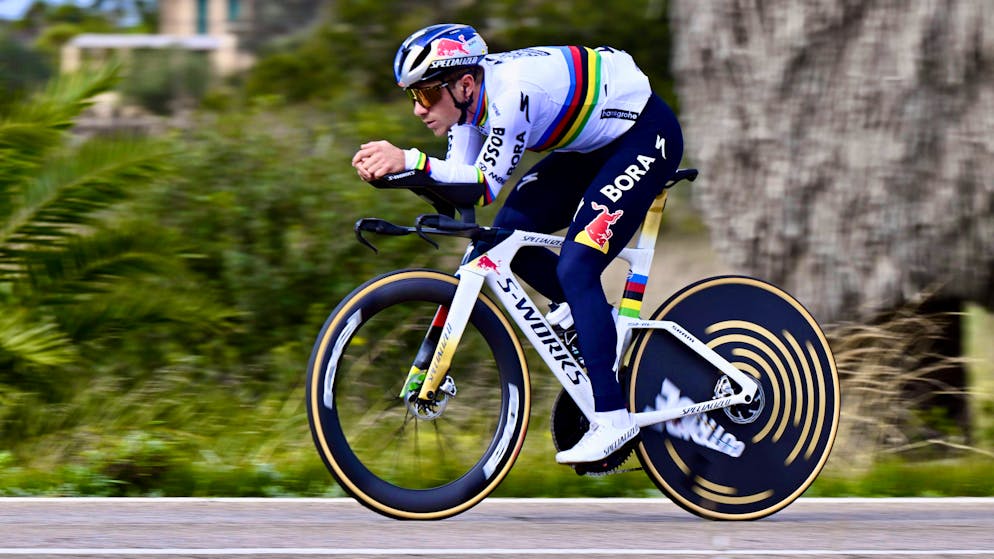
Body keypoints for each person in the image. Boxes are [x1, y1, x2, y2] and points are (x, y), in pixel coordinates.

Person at [352, 23, 684, 464]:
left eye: (427, 95)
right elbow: (455, 190)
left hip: (645, 135)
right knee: (503, 238)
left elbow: (480, 186)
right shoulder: (469, 109)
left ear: (464, 84)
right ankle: (589, 319)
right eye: (414, 97)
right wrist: (396, 175)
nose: (419, 110)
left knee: (577, 265)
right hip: (593, 145)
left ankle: (612, 417)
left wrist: (409, 160)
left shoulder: (510, 98)